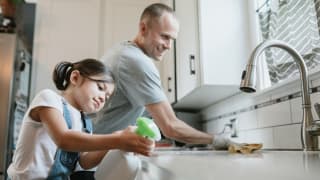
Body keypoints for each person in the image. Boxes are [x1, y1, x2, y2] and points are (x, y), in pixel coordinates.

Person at [93, 3, 234, 150]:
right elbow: (170, 126)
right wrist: (216, 139)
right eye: (165, 37)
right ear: (143, 28)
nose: (169, 46)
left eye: (172, 39)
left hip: (93, 155)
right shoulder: (136, 62)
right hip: (91, 162)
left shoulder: (124, 52)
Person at [7, 59, 154, 179]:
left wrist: (115, 140)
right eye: (100, 87)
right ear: (75, 78)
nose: (103, 97)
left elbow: (84, 161)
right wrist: (118, 139)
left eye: (107, 97)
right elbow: (63, 139)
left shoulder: (85, 123)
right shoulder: (49, 99)